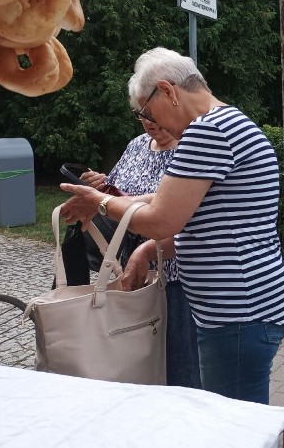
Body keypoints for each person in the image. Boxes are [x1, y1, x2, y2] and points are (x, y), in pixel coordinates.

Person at [60, 47, 284, 405]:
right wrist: (148, 249)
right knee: (239, 423)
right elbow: (202, 218)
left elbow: (162, 218)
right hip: (250, 309)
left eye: (150, 113)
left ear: (168, 91)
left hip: (236, 315)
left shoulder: (206, 132)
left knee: (231, 435)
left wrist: (102, 203)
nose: (156, 126)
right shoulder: (231, 123)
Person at [78, 117, 201, 389]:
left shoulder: (191, 151)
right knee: (139, 363)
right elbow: (119, 197)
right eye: (143, 116)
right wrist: (102, 188)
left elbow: (192, 219)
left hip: (178, 280)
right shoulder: (136, 146)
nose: (150, 123)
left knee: (182, 371)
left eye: (155, 115)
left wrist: (148, 249)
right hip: (136, 277)